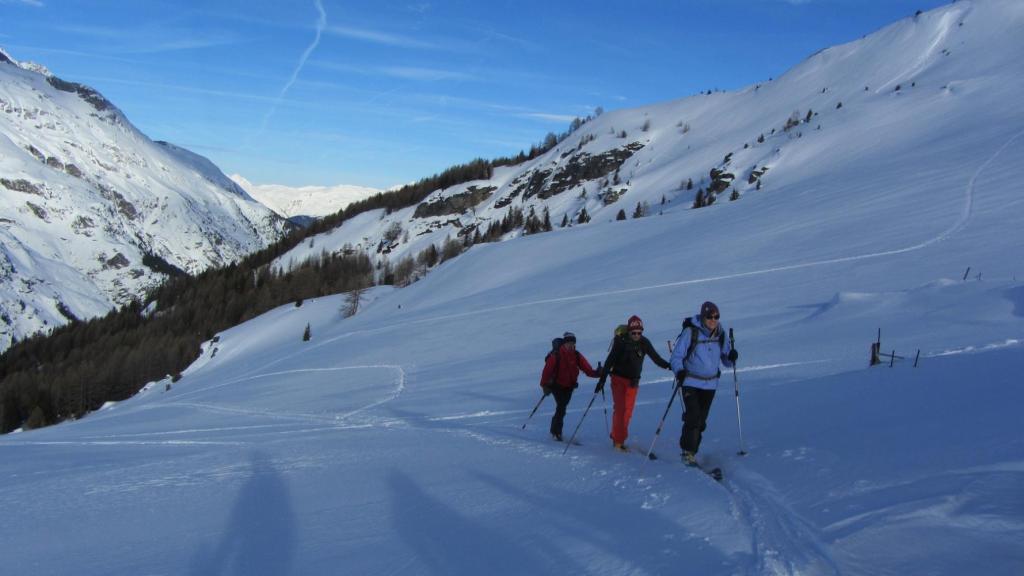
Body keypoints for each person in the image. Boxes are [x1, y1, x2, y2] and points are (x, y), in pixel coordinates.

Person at [670, 301, 738, 466]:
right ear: (702, 317)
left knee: (701, 421)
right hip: (690, 381)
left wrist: (732, 357)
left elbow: (727, 361)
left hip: (710, 384)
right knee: (693, 416)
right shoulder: (691, 332)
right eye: (709, 316)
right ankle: (687, 452)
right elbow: (676, 357)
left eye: (716, 316)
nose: (713, 320)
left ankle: (692, 451)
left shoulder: (720, 334)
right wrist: (679, 371)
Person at [596, 315, 671, 451]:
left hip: (633, 382)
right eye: (634, 333)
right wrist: (602, 380)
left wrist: (670, 366)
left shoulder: (644, 343)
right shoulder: (621, 342)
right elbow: (609, 361)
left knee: (627, 412)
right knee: (620, 410)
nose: (636, 335)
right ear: (629, 331)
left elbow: (656, 358)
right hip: (618, 380)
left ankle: (617, 437)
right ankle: (618, 442)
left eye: (639, 332)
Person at [540, 332, 601, 441]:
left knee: (562, 407)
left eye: (573, 343)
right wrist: (544, 385)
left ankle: (555, 431)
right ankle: (556, 433)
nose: (571, 345)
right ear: (564, 344)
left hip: (569, 387)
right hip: (556, 386)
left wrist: (597, 373)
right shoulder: (556, 356)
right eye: (569, 343)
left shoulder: (576, 355)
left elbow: (587, 369)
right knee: (561, 407)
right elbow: (546, 372)